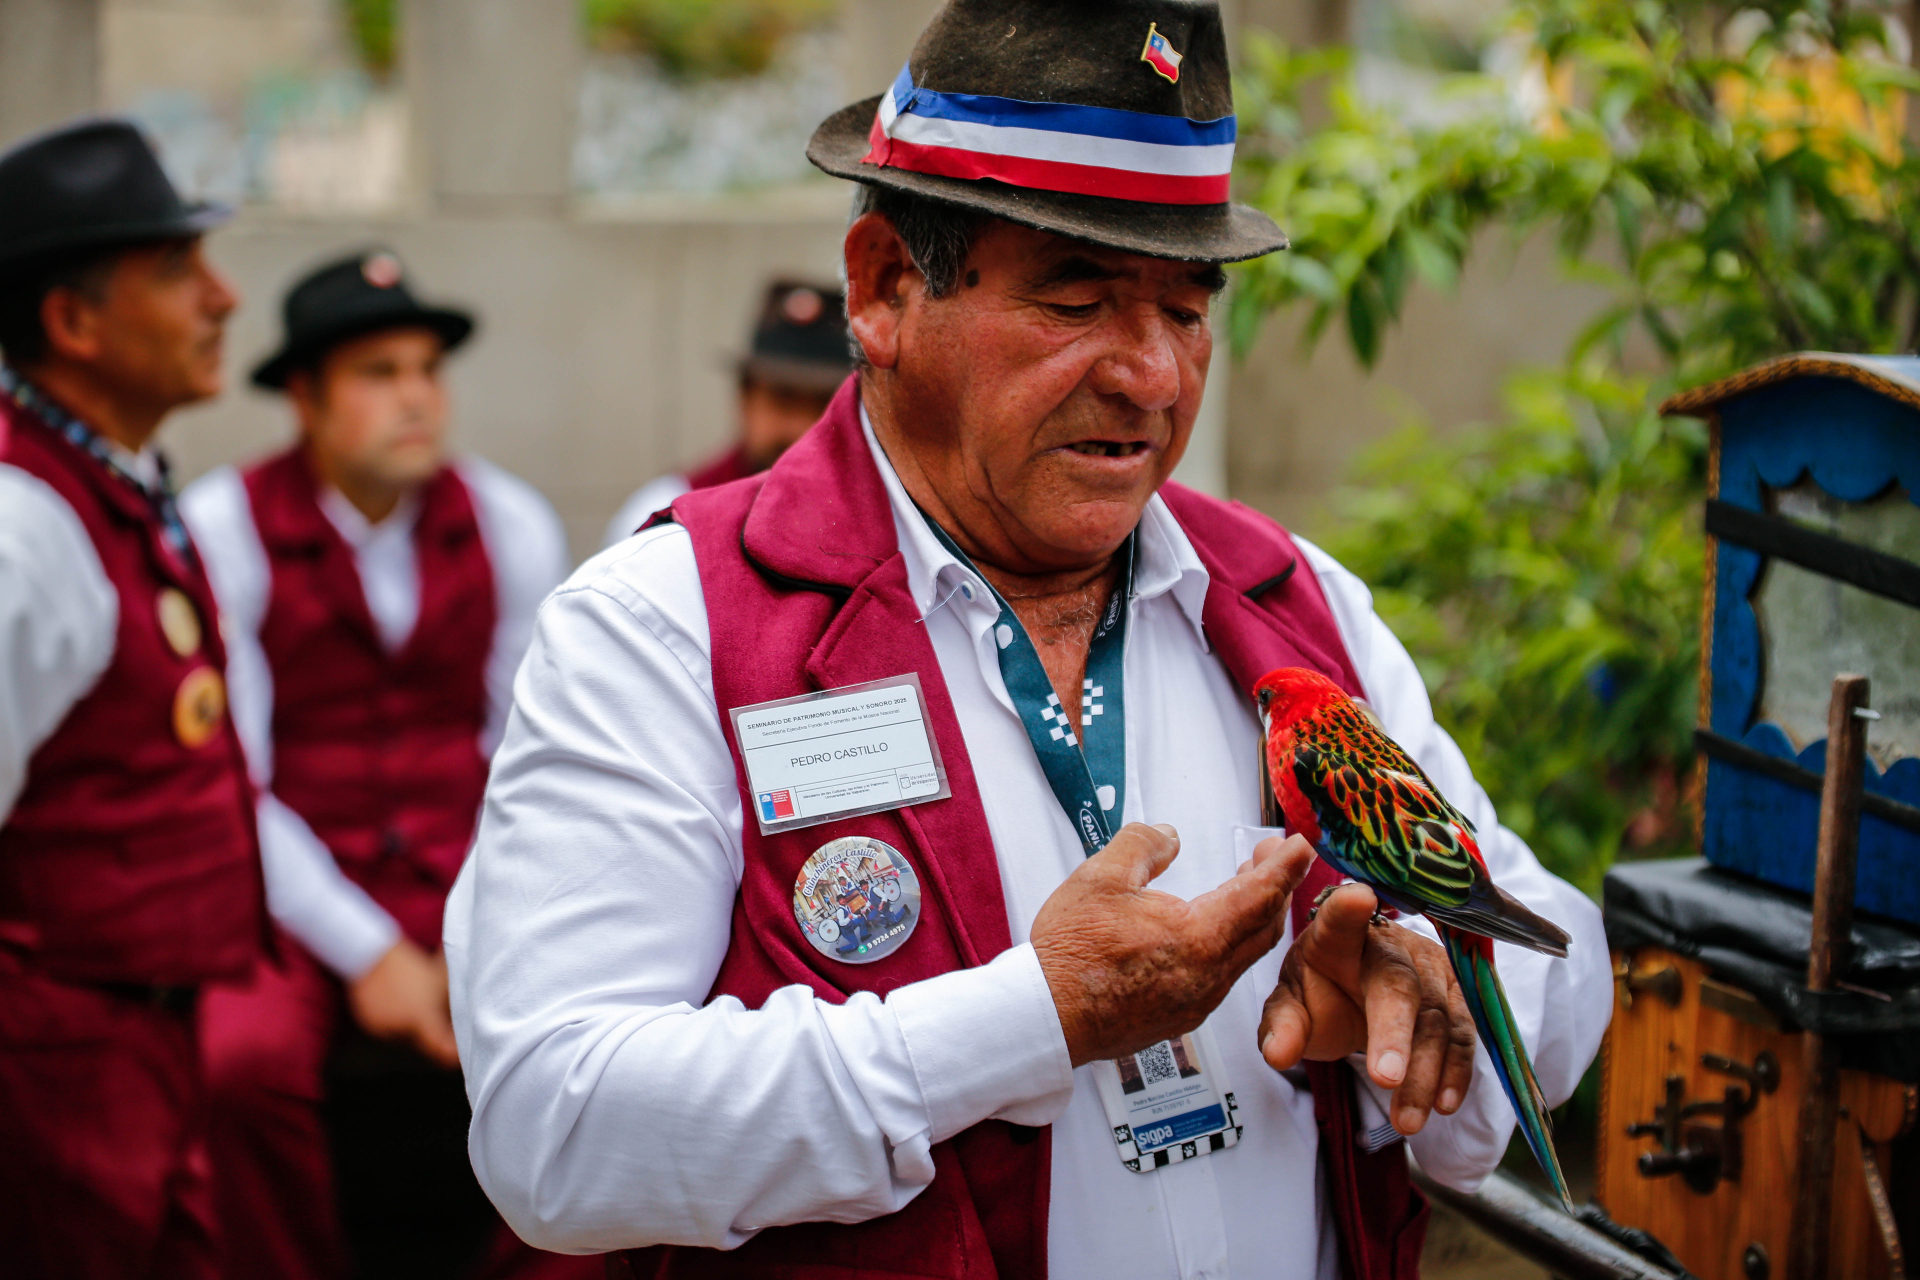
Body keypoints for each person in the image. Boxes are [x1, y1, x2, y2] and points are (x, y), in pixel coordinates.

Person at [448, 2, 1612, 1277]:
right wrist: (1029, 1015)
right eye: (1078, 300)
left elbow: (1562, 962)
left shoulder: (1293, 601)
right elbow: (553, 1128)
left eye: (1187, 309)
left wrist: (1417, 977)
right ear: (884, 286)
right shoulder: (666, 626)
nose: (1153, 375)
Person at [178, 251, 588, 1279]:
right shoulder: (222, 527)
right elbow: (234, 780)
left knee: (590, 1046)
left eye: (427, 369)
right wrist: (367, 950)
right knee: (237, 1066)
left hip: (468, 873)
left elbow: (532, 757)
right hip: (285, 895)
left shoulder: (509, 520)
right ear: (304, 397)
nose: (416, 397)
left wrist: (482, 918)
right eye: (377, 372)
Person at [0, 119, 262, 1278]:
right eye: (175, 269)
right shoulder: (21, 530)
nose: (223, 296)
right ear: (72, 322)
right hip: (50, 1075)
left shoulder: (111, 478)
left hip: (138, 1047)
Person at [602, 278, 850, 547]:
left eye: (824, 404)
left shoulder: (876, 518)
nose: (799, 426)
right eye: (784, 399)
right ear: (744, 398)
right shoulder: (661, 515)